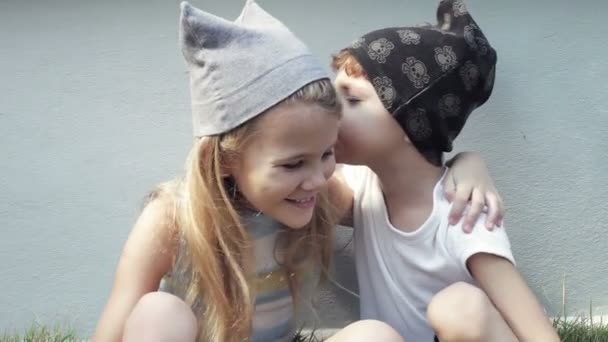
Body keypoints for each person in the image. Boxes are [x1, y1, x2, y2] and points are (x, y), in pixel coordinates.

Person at [94, 1, 504, 341]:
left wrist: (469, 164)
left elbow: (405, 186)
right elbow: (114, 326)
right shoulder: (173, 216)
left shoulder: (321, 195)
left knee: (373, 336)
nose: (318, 177)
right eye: (293, 164)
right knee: (157, 312)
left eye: (327, 153)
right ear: (224, 160)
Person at [331, 0, 560, 341]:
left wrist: (471, 162)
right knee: (367, 335)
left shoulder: (462, 211)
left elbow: (537, 334)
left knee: (459, 307)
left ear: (412, 124)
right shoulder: (362, 185)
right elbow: (298, 175)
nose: (328, 111)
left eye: (351, 100)